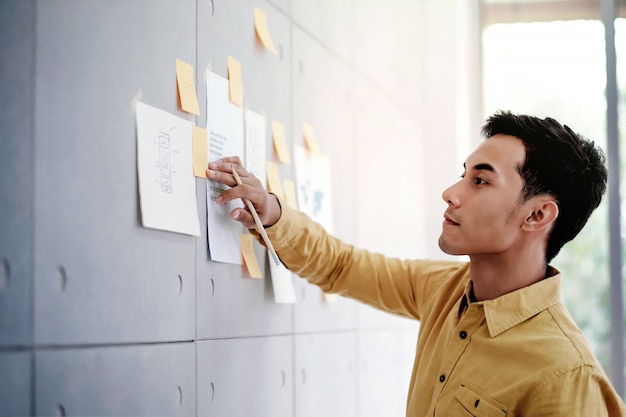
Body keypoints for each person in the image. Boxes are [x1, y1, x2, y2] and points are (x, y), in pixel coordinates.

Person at [207, 111, 626, 416]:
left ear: (537, 216)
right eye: (463, 174)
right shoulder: (443, 289)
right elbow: (342, 267)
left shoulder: (567, 375)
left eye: (480, 180)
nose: (450, 192)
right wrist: (272, 212)